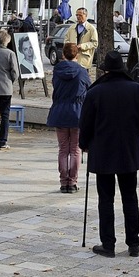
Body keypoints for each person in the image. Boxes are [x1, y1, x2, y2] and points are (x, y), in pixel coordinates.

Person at [79, 51, 139, 258]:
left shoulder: (95, 93)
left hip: (103, 152)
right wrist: (132, 133)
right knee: (130, 197)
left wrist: (84, 143)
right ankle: (134, 243)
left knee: (106, 199)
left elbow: (85, 124)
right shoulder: (137, 90)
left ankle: (108, 244)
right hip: (128, 151)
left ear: (106, 70)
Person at [46, 43, 91, 193]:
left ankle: (63, 181)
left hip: (60, 111)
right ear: (76, 55)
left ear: (63, 55)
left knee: (63, 149)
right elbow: (89, 89)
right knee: (76, 149)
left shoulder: (57, 71)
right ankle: (72, 181)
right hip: (77, 112)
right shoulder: (82, 71)